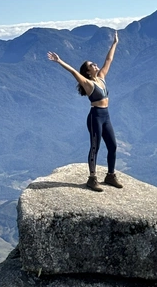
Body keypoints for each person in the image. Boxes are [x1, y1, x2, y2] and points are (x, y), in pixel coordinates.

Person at [47, 31, 122, 192]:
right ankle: (92, 178)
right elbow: (74, 72)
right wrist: (59, 61)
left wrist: (115, 43)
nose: (96, 65)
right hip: (95, 117)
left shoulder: (101, 78)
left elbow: (109, 60)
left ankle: (110, 175)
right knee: (95, 147)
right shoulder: (88, 83)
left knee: (113, 146)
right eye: (92, 65)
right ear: (88, 71)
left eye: (95, 64)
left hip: (106, 116)